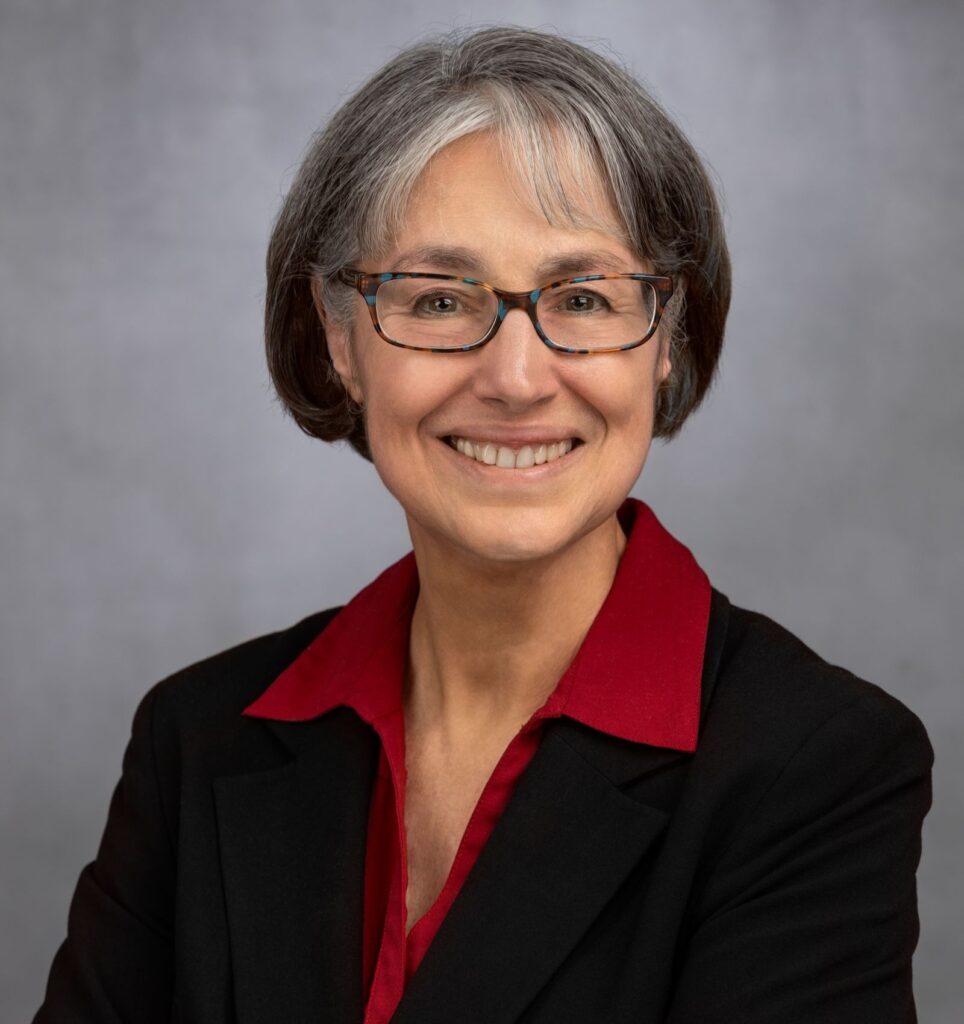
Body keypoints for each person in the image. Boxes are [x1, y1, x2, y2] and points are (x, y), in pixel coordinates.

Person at [34, 25, 933, 1024]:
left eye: (583, 296)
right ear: (340, 340)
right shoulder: (197, 739)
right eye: (438, 300)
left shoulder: (816, 766)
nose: (514, 377)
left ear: (667, 341)